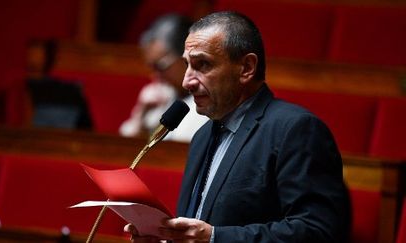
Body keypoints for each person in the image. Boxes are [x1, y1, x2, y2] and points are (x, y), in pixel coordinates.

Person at [124, 11, 351, 242]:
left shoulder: (296, 130)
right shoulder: (202, 136)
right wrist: (165, 239)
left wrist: (215, 238)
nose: (187, 81)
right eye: (187, 65)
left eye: (202, 65)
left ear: (246, 68)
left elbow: (318, 231)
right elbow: (197, 228)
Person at [119, 14, 208, 142]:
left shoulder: (208, 102)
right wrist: (140, 115)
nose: (155, 75)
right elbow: (123, 146)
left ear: (187, 57)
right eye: (151, 67)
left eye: (160, 66)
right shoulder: (161, 95)